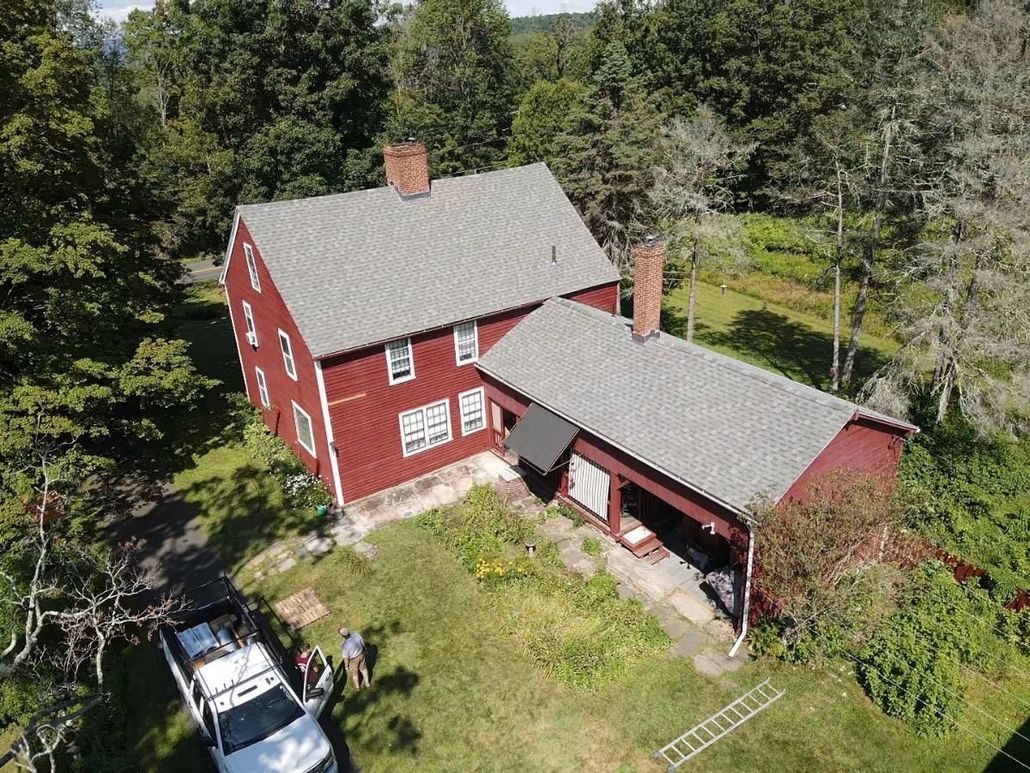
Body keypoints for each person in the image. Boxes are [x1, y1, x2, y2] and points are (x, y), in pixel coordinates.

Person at [338, 627, 371, 692]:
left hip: (353, 661)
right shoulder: (356, 635)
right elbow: (362, 643)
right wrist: (365, 650)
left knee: (355, 674)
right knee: (364, 669)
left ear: (342, 636)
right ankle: (367, 684)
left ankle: (358, 688)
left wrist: (346, 666)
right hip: (361, 655)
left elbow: (346, 658)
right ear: (348, 631)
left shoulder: (344, 645)